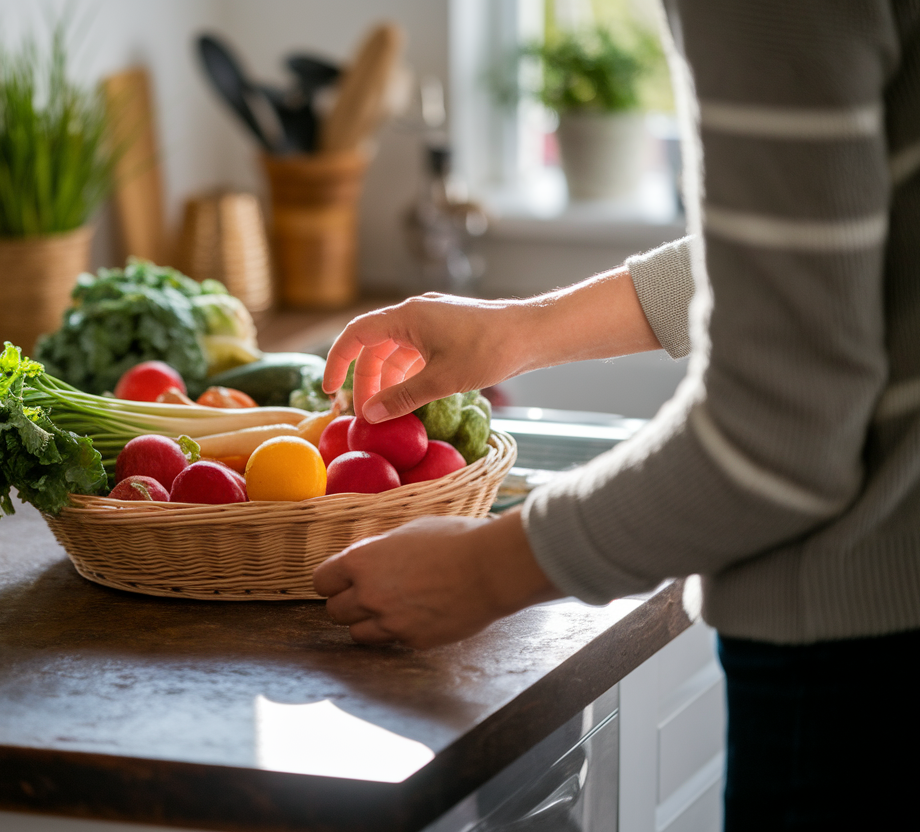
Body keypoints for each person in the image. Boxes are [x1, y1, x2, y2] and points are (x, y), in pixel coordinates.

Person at [311, 2, 919, 829]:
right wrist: (520, 331)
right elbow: (840, 231)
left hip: (864, 660)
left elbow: (780, 447)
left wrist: (485, 571)